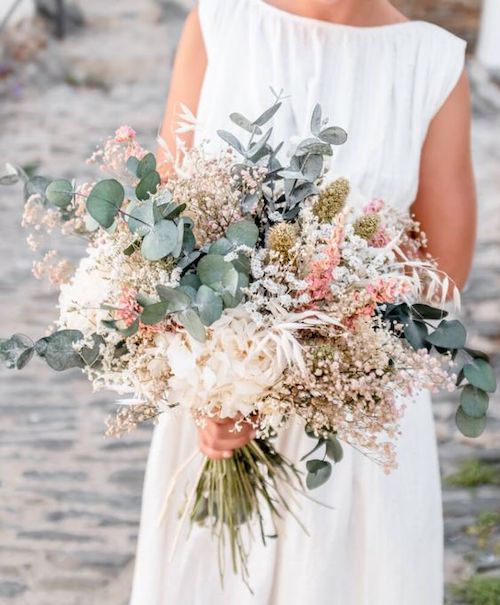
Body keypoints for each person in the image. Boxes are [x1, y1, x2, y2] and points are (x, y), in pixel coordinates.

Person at [130, 1, 476, 603]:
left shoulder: (432, 61)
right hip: (217, 408)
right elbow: (164, 230)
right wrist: (220, 380)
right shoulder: (218, 26)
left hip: (359, 420)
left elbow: (442, 272)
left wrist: (323, 329)